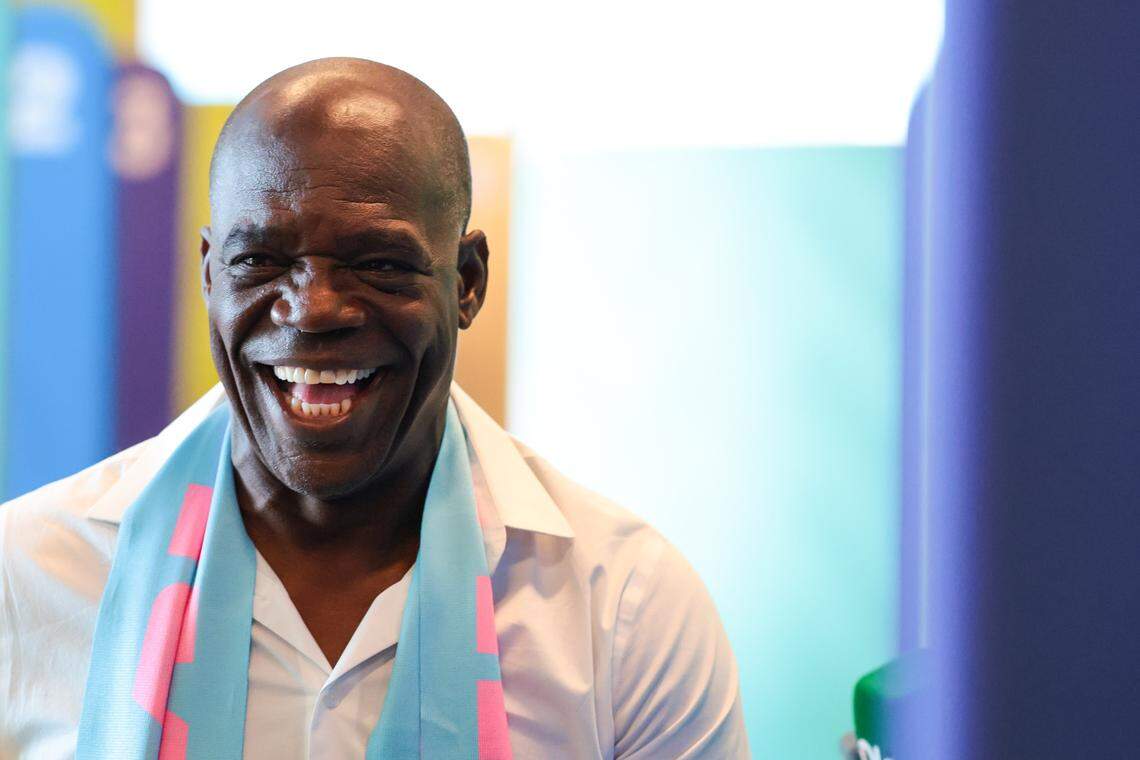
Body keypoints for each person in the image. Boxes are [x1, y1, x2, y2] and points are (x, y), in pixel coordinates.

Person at [0, 58, 749, 759]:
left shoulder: (620, 604)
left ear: (467, 282)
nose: (312, 309)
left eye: (379, 264)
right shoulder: (27, 577)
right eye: (259, 260)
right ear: (208, 277)